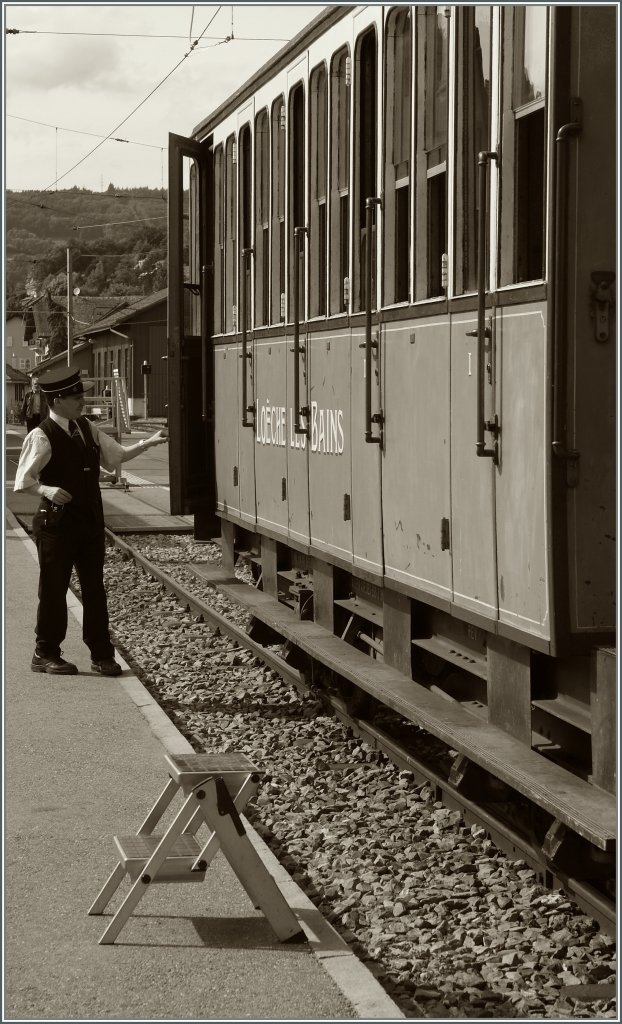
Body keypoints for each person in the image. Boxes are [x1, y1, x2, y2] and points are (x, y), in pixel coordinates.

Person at [14, 366, 168, 676]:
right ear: (56, 401)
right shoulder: (41, 435)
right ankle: (44, 652)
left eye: (81, 394)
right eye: (75, 397)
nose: (82, 401)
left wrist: (147, 443)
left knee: (95, 589)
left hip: (88, 523)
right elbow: (23, 480)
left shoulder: (87, 428)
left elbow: (116, 457)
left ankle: (101, 654)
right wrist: (46, 488)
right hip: (57, 526)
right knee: (54, 589)